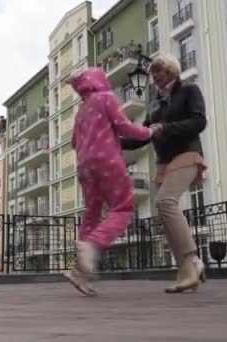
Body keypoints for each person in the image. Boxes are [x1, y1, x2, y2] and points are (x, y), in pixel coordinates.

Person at [63, 67, 157, 296]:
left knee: (92, 212)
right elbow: (124, 127)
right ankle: (92, 246)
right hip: (107, 160)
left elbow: (74, 142)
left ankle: (80, 268)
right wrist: (149, 132)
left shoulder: (82, 110)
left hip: (84, 166)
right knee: (123, 208)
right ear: (100, 81)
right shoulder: (106, 98)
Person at [121, 53, 208, 293]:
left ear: (171, 71)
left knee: (165, 201)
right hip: (164, 161)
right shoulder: (154, 102)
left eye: (158, 70)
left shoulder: (189, 91)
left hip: (187, 153)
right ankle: (187, 270)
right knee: (163, 210)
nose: (154, 75)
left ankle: (191, 262)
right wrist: (115, 142)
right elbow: (143, 135)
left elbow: (199, 122)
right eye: (152, 72)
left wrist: (166, 128)